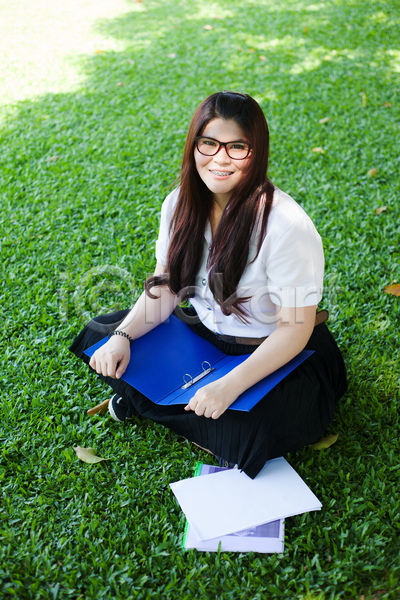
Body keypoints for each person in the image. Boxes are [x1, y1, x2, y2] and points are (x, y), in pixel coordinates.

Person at [70, 91, 347, 479]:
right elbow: (166, 286)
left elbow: (294, 330)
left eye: (237, 147)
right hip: (204, 337)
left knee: (252, 434)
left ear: (256, 152)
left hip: (273, 353)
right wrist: (123, 335)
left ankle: (148, 402)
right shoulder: (178, 204)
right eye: (209, 144)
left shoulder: (287, 226)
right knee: (98, 337)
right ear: (194, 145)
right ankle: (179, 410)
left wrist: (229, 386)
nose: (220, 159)